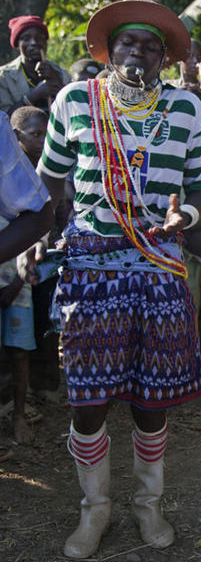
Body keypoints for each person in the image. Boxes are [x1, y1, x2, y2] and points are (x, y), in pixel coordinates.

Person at [35, 0, 201, 557]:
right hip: (91, 267)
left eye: (150, 45)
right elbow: (50, 179)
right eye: (127, 43)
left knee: (151, 397)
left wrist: (188, 214)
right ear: (109, 51)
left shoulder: (186, 108)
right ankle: (95, 509)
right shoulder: (75, 100)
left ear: (165, 57)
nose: (138, 52)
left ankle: (147, 505)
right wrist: (38, 234)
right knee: (87, 399)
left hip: (158, 263)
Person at [0, 109, 53, 461]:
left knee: (19, 350)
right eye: (35, 134)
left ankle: (19, 414)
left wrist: (20, 277)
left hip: (14, 274)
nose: (42, 140)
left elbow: (39, 215)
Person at [0, 15, 70, 114]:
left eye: (39, 38)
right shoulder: (4, 77)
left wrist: (57, 82)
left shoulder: (60, 72)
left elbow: (75, 108)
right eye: (26, 39)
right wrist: (35, 95)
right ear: (17, 45)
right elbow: (4, 117)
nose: (34, 43)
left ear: (45, 42)